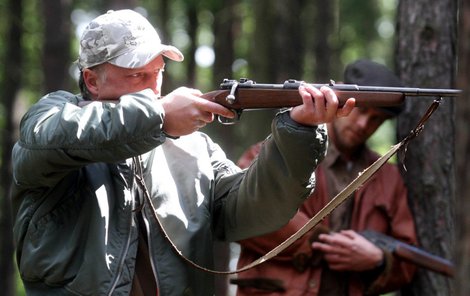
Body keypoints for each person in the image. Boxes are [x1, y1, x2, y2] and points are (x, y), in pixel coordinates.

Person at [10, 9, 355, 296]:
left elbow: (250, 209)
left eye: (158, 72)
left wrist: (299, 131)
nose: (153, 86)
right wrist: (159, 116)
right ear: (92, 80)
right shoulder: (52, 118)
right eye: (137, 75)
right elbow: (56, 137)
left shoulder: (194, 146)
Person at [233, 59, 418, 296]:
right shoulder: (277, 152)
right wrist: (318, 241)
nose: (363, 124)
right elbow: (241, 211)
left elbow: (409, 259)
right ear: (338, 95)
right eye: (361, 109)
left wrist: (378, 260)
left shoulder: (389, 178)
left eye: (376, 119)